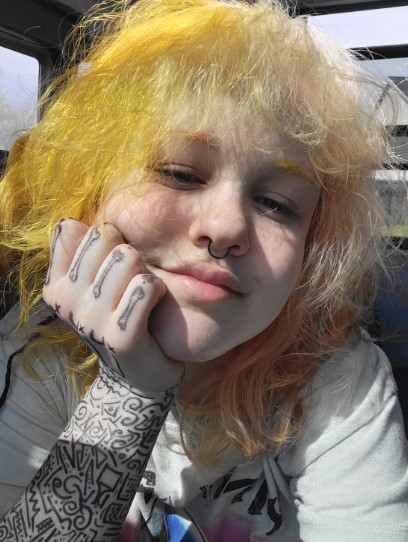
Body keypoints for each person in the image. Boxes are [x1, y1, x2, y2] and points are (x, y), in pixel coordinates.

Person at [0, 0, 407, 540]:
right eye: (179, 173)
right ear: (89, 192)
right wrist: (127, 393)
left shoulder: (334, 379)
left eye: (278, 204)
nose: (225, 227)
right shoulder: (42, 358)